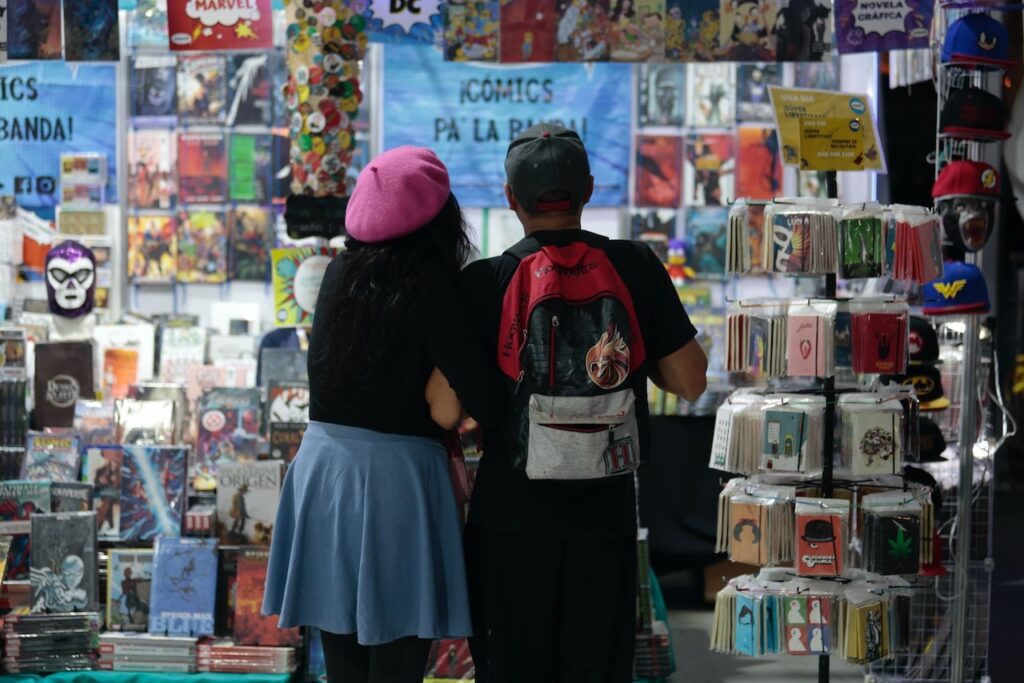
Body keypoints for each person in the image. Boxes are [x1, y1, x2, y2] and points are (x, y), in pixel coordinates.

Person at [461, 124, 708, 682]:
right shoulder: (635, 266)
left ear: (510, 197)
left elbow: (451, 407)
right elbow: (691, 381)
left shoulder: (486, 280)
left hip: (510, 517)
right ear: (589, 190)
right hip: (605, 515)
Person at [263, 146, 506, 683]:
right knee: (397, 664)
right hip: (399, 481)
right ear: (441, 218)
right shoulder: (434, 288)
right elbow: (488, 400)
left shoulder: (337, 274)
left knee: (343, 665)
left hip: (323, 473)